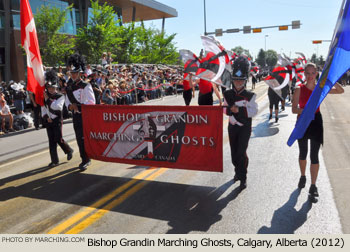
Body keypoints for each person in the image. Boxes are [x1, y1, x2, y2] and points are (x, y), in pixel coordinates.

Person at [292, 63, 344, 202]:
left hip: (316, 123)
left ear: (316, 73)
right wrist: (305, 111)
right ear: (304, 74)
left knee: (314, 155)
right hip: (302, 123)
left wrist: (329, 78)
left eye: (312, 73)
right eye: (307, 73)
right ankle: (303, 176)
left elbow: (340, 91)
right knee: (303, 153)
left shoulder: (320, 89)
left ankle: (313, 186)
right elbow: (294, 109)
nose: (310, 76)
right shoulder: (299, 89)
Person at [223, 56, 258, 190]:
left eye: (241, 80)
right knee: (233, 153)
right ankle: (237, 171)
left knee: (241, 152)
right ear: (232, 80)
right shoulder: (227, 94)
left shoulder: (250, 95)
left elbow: (254, 111)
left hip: (245, 127)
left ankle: (243, 177)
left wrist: (240, 110)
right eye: (236, 80)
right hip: (232, 126)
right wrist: (230, 112)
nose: (238, 82)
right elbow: (224, 109)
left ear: (245, 80)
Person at [65, 53, 96, 171]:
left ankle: (87, 158)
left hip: (85, 115)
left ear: (79, 73)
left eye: (75, 73)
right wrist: (70, 107)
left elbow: (92, 102)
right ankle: (84, 158)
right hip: (76, 116)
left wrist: (78, 106)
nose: (73, 75)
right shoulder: (69, 87)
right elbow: (67, 102)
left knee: (84, 137)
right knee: (78, 138)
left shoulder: (86, 85)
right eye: (72, 73)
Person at [42, 70, 74, 168]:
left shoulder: (60, 96)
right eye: (49, 88)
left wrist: (48, 99)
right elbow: (43, 109)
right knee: (51, 141)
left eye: (53, 88)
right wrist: (47, 117)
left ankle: (69, 150)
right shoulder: (45, 96)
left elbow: (57, 107)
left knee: (58, 139)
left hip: (57, 120)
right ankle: (54, 161)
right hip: (49, 121)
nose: (51, 89)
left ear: (56, 87)